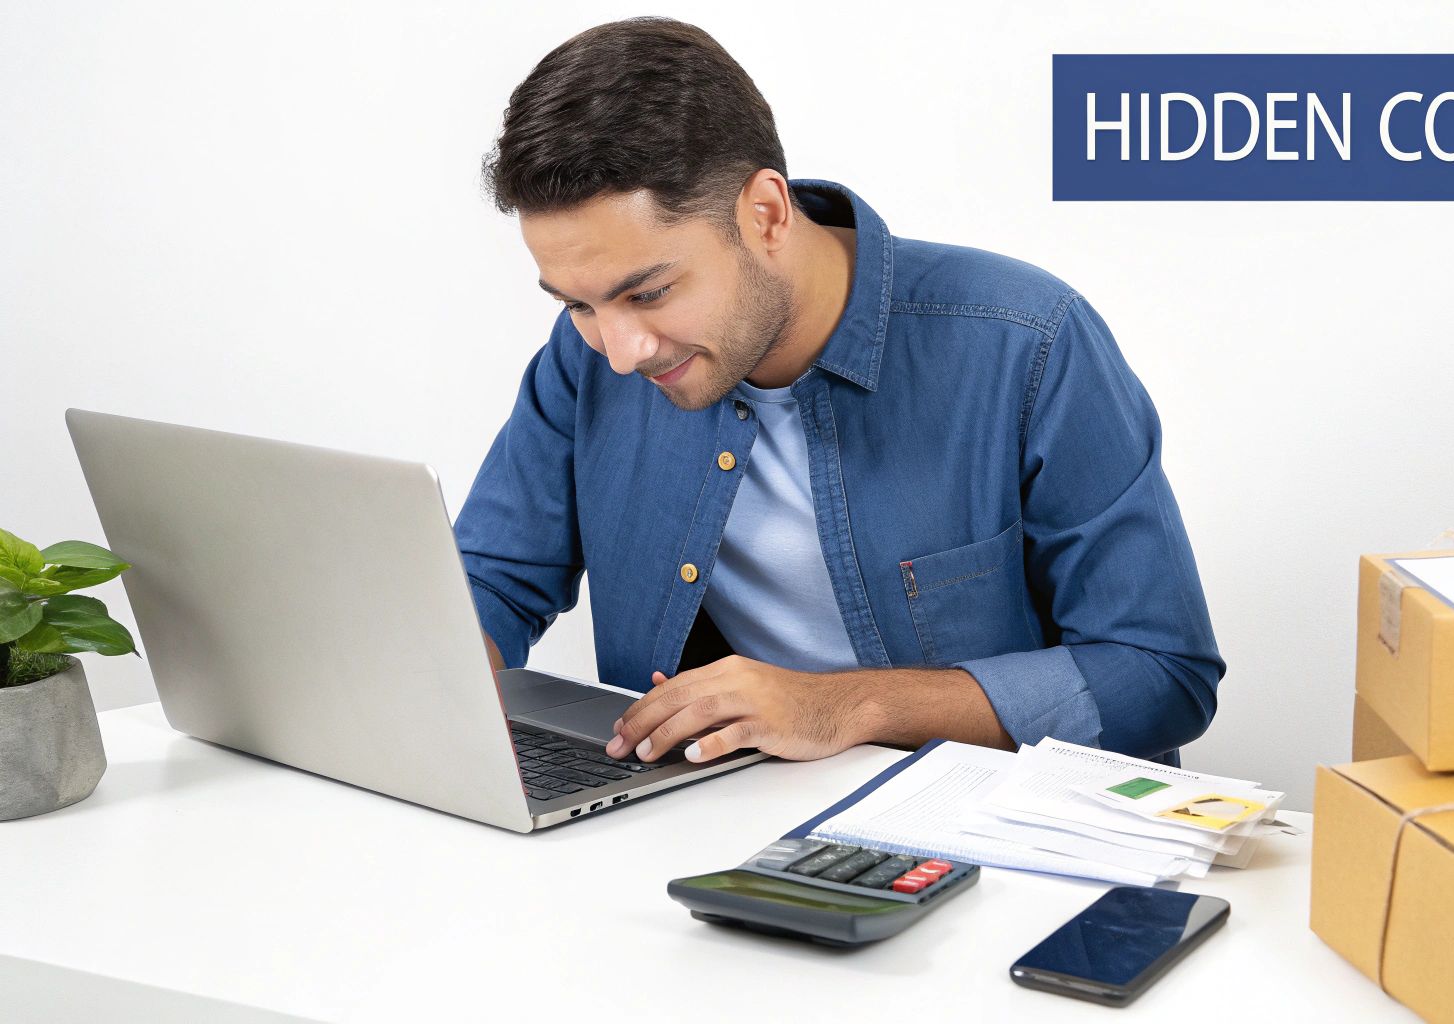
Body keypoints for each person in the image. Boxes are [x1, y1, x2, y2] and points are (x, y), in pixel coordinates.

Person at [456, 17, 1223, 770]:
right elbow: (489, 584)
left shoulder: (1026, 343)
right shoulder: (589, 357)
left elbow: (1161, 675)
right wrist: (437, 696)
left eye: (649, 292)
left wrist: (847, 707)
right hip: (709, 815)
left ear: (765, 214)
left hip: (991, 827)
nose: (621, 352)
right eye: (577, 304)